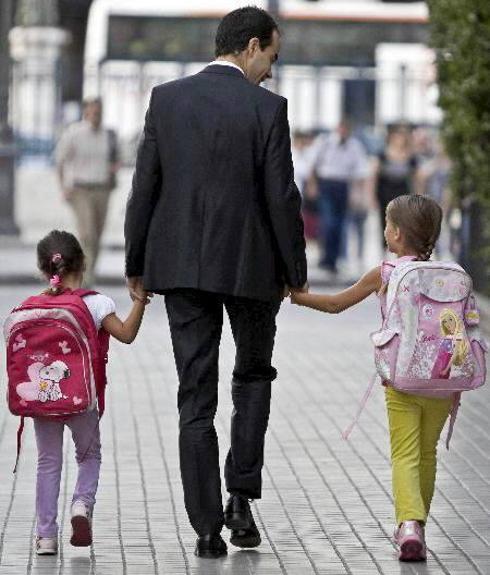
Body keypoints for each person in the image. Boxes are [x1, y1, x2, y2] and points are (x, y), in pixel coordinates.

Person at [124, 6, 307, 559]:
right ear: (252, 46)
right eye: (272, 56)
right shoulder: (267, 110)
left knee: (194, 396)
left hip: (180, 269)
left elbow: (144, 186)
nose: (271, 71)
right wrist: (294, 273)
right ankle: (241, 501)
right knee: (253, 379)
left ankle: (206, 529)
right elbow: (282, 199)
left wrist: (138, 264)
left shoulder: (167, 99)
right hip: (253, 271)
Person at [291, 195, 453, 562]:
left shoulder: (386, 272)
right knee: (427, 453)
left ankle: (408, 525)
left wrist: (299, 297)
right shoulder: (448, 274)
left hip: (401, 381)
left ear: (395, 234)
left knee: (405, 454)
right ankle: (416, 524)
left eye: (385, 225)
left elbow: (336, 304)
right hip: (444, 380)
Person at [31, 230, 150, 556]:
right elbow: (125, 334)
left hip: (44, 400)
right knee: (88, 456)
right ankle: (81, 506)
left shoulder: (35, 307)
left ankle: (45, 536)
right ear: (83, 263)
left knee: (48, 463)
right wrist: (141, 300)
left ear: (44, 270)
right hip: (83, 399)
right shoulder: (96, 303)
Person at [55, 98, 120, 287]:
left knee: (97, 235)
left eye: (99, 112)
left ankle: (89, 272)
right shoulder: (74, 133)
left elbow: (117, 158)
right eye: (93, 112)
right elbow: (60, 160)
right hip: (80, 189)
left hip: (102, 189)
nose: (96, 116)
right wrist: (63, 187)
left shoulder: (109, 135)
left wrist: (114, 167)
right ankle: (84, 280)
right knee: (87, 234)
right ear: (86, 112)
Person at [308, 120, 367, 276]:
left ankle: (333, 259)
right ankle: (326, 257)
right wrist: (313, 185)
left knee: (340, 224)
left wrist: (357, 194)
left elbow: (360, 171)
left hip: (343, 185)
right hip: (327, 184)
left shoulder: (355, 146)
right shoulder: (325, 142)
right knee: (329, 222)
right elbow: (312, 165)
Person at [370, 124, 422, 248]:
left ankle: (400, 249)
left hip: (403, 192)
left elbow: (417, 178)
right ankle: (385, 248)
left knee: (403, 223)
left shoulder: (411, 157)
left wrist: (419, 196)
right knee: (386, 222)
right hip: (385, 192)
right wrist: (372, 196)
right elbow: (374, 176)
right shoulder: (382, 155)